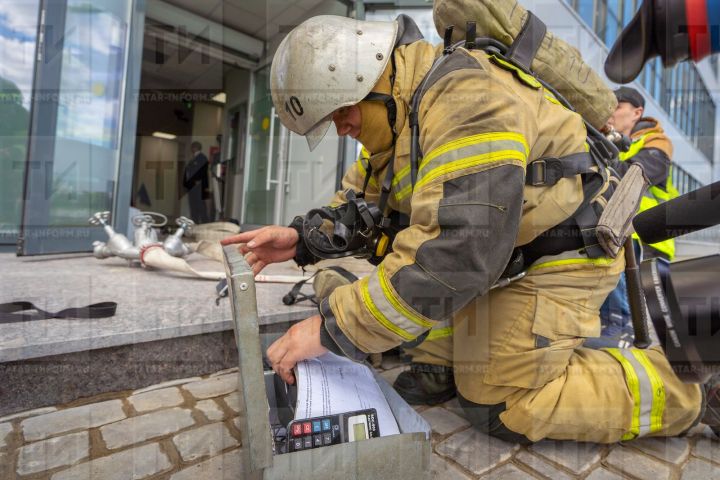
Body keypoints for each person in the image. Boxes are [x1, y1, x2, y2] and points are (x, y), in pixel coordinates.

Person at [223, 15, 717, 443]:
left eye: (343, 112)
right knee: (431, 356)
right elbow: (358, 207)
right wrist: (300, 239)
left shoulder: (464, 96)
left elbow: (455, 253)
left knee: (497, 398)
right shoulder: (397, 125)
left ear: (370, 76)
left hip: (567, 253)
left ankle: (690, 391)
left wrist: (332, 329)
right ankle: (451, 360)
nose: (341, 127)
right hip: (509, 257)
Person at [585, 86, 678, 350]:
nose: (609, 112)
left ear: (637, 112)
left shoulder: (655, 142)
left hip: (648, 237)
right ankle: (613, 325)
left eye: (616, 106)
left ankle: (620, 325)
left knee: (653, 317)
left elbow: (637, 173)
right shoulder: (609, 143)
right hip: (622, 231)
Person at [183, 141, 210, 224]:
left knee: (200, 205)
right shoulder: (194, 158)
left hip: (198, 186)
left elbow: (202, 171)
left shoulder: (202, 158)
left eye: (192, 147)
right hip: (192, 185)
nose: (191, 149)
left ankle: (203, 222)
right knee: (193, 204)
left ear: (195, 147)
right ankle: (194, 222)